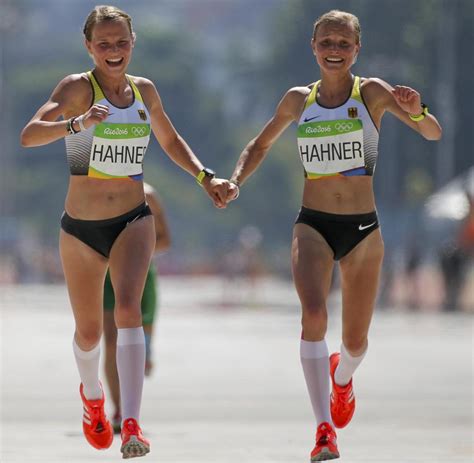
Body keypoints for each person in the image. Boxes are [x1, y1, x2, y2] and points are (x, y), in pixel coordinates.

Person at [225, 10, 441, 461]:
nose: (335, 50)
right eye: (327, 42)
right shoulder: (297, 100)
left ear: (356, 49)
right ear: (313, 47)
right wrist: (236, 179)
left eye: (344, 43)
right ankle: (324, 429)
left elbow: (432, 132)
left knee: (357, 342)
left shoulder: (374, 94)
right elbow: (260, 144)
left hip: (363, 230)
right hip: (314, 225)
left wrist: (417, 107)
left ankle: (342, 377)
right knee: (314, 317)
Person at [20, 5, 235, 459]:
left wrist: (206, 178)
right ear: (89, 47)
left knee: (129, 310)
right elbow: (30, 134)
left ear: (132, 43)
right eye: (104, 44)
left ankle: (133, 422)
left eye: (121, 43)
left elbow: (171, 141)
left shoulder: (144, 91)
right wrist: (78, 124)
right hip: (80, 230)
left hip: (133, 219)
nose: (113, 51)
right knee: (88, 334)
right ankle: (93, 397)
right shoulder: (78, 88)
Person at [103, 182, 170, 434]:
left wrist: (132, 249)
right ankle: (120, 410)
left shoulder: (149, 195)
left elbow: (165, 240)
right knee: (110, 341)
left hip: (139, 272)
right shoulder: (96, 189)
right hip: (106, 274)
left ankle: (146, 351)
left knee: (138, 342)